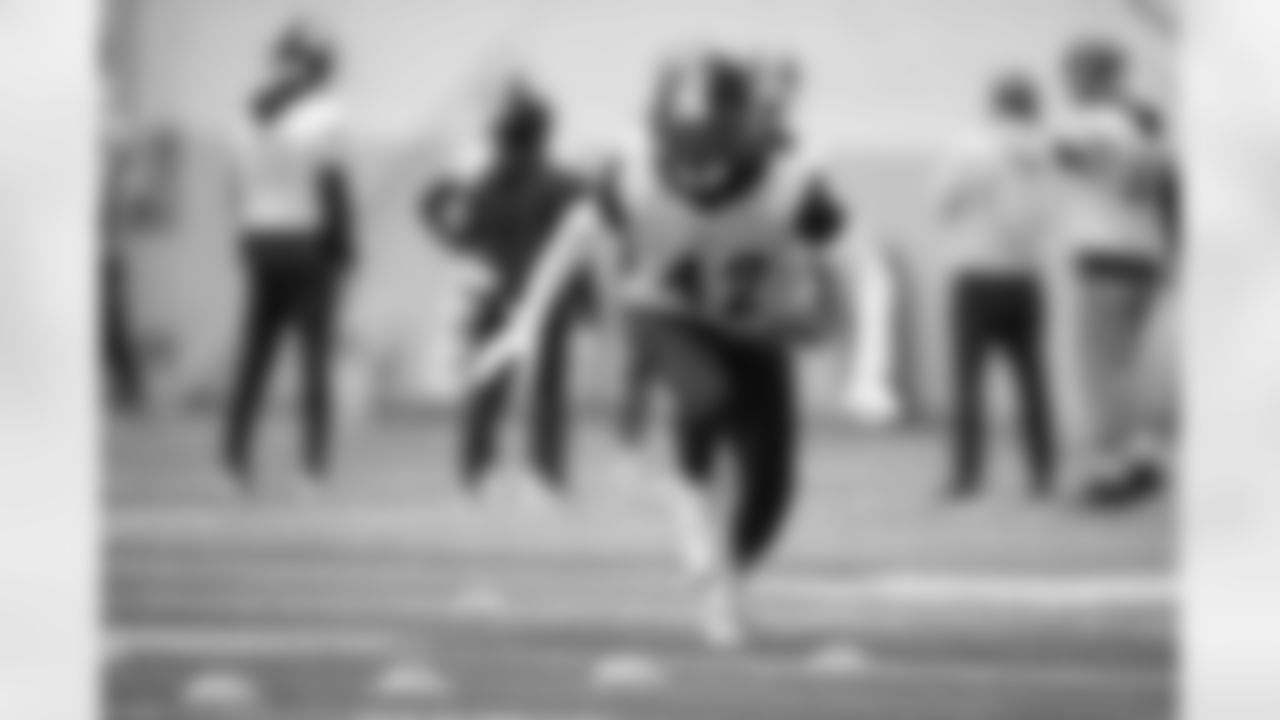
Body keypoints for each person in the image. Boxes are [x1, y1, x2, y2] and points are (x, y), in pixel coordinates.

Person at [468, 51, 853, 647]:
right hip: (666, 311)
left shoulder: (793, 185)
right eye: (684, 143)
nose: (696, 163)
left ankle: (722, 578)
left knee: (774, 489)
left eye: (710, 144)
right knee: (705, 400)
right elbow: (576, 233)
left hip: (756, 329)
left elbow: (859, 265)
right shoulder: (635, 171)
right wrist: (527, 321)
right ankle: (692, 508)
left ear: (745, 131)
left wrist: (861, 354)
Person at [420, 80, 589, 506]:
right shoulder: (562, 183)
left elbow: (440, 212)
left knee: (487, 387)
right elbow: (582, 241)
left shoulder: (484, 182)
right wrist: (585, 296)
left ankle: (475, 472)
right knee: (548, 390)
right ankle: (545, 476)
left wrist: (455, 243)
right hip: (545, 300)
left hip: (495, 293)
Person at [221, 20, 356, 492]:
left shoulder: (246, 114)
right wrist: (346, 248)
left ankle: (234, 461)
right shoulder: (324, 115)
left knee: (254, 355)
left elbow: (236, 185)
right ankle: (312, 468)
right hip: (307, 242)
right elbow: (331, 185)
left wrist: (242, 234)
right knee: (314, 357)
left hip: (259, 238)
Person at [1049, 38, 1174, 507]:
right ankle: (1145, 457)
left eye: (1073, 73)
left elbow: (1065, 151)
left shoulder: (1092, 122)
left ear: (1091, 77)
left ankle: (1110, 471)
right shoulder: (1143, 126)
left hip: (1102, 255)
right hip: (1144, 255)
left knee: (1100, 370)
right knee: (1130, 367)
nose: (1066, 83)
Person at [934, 72, 1060, 500]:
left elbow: (941, 201)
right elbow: (1051, 213)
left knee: (968, 380)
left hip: (976, 271)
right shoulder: (1046, 149)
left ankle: (967, 477)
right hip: (1026, 274)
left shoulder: (972, 145)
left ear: (994, 103)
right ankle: (1042, 475)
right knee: (1033, 379)